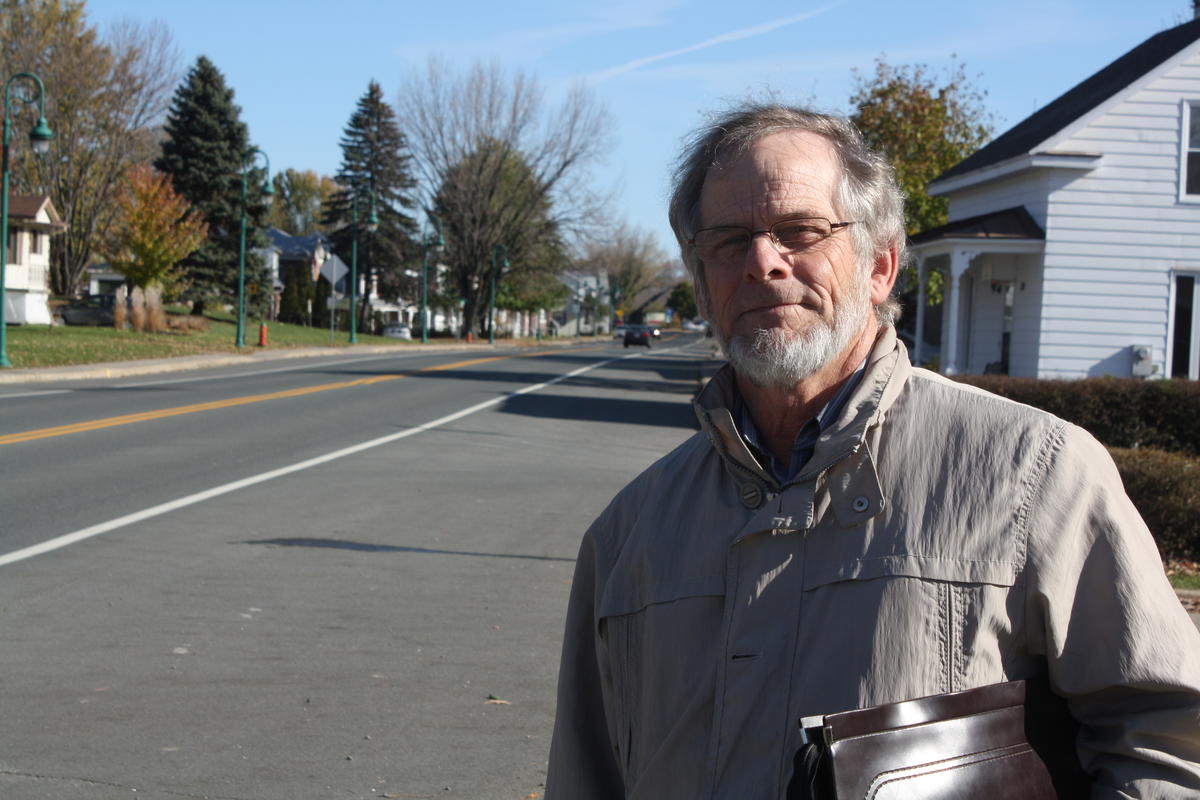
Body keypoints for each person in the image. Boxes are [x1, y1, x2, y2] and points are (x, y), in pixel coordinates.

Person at [545, 105, 1200, 799]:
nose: (763, 262)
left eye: (801, 231)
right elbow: (586, 778)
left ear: (880, 267)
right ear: (702, 284)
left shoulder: (1035, 474)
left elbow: (1166, 741)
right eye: (730, 241)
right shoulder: (628, 536)